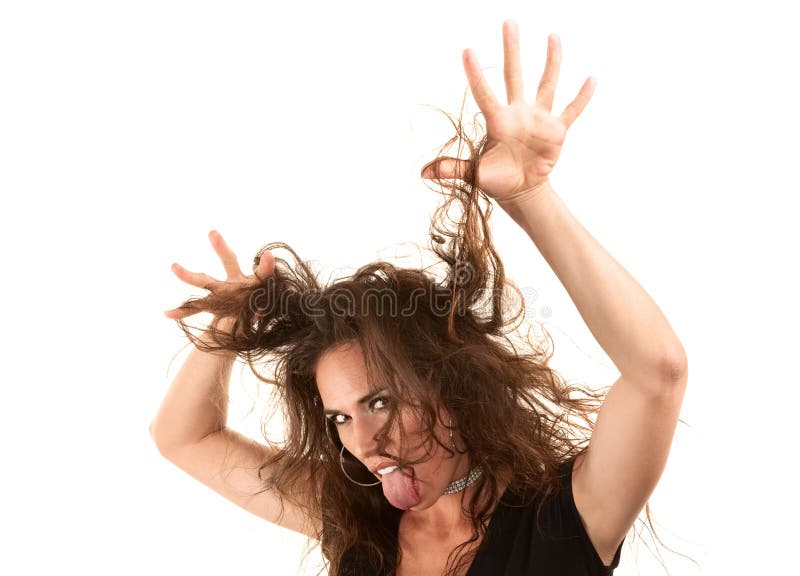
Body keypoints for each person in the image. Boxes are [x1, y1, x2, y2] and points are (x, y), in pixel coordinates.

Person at [151, 19, 688, 576]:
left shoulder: (565, 516)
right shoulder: (356, 520)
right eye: (339, 417)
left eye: (379, 402)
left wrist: (531, 196)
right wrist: (228, 332)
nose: (363, 443)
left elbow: (659, 371)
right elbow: (184, 438)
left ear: (452, 382)